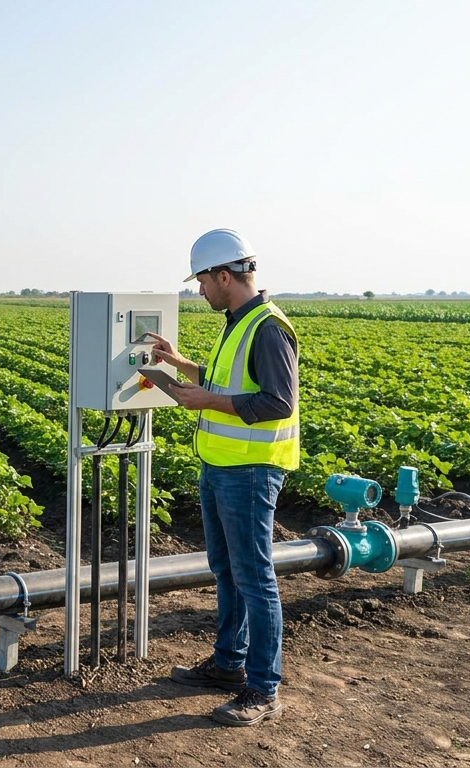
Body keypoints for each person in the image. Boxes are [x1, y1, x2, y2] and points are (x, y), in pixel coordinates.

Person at [146, 228, 299, 727]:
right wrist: (178, 363)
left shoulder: (269, 328)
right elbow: (224, 381)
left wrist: (208, 401)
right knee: (227, 571)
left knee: (256, 579)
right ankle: (229, 665)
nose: (200, 291)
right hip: (220, 467)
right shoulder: (238, 322)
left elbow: (278, 402)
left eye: (203, 281)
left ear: (224, 275)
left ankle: (262, 690)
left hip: (250, 473)